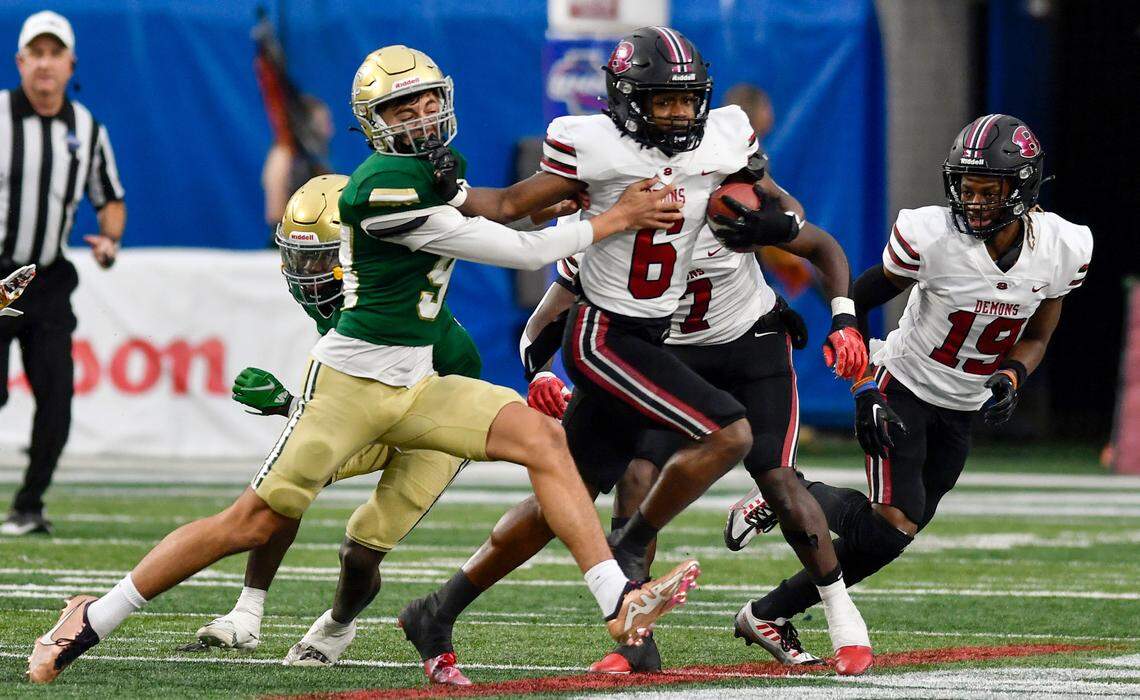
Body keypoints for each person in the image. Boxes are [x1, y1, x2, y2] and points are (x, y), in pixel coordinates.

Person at [26, 44, 698, 686]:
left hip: (419, 380)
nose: (420, 118)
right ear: (372, 125)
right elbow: (519, 251)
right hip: (351, 384)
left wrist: (567, 196)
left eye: (426, 101)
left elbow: (497, 204)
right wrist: (617, 218)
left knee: (542, 439)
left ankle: (618, 601)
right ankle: (94, 615)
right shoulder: (378, 189)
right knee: (251, 523)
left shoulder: (427, 169)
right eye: (401, 110)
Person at [397, 27, 871, 679]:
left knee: (561, 499)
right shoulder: (589, 148)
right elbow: (508, 206)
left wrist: (776, 223)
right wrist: (446, 189)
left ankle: (437, 611)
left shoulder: (725, 139)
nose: (678, 115)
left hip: (656, 337)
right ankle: (629, 550)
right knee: (727, 435)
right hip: (606, 335)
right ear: (622, 100)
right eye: (661, 101)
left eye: (686, 101)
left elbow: (780, 203)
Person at [723, 114, 1092, 662]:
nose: (974, 203)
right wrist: (865, 383)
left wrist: (1013, 374)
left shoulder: (1062, 247)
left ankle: (769, 608)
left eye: (989, 191)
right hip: (906, 383)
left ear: (1023, 190)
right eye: (966, 189)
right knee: (894, 522)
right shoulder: (932, 236)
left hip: (961, 404)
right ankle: (786, 496)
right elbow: (860, 301)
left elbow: (1038, 333)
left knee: (889, 534)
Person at [519, 148, 873, 676]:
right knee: (637, 476)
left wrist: (844, 318)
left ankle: (845, 621)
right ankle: (637, 641)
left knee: (777, 478)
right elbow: (546, 319)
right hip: (675, 354)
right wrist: (540, 372)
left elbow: (818, 242)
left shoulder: (729, 203)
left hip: (753, 343)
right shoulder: (616, 224)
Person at [185, 174, 478, 670]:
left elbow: (413, 393)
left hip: (438, 421)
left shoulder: (398, 307)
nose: (308, 271)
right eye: (300, 257)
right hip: (379, 406)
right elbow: (353, 400)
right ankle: (247, 612)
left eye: (321, 257)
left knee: (361, 547)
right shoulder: (340, 301)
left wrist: (294, 408)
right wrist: (289, 407)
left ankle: (338, 626)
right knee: (287, 483)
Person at [0, 11, 125, 537]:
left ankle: (29, 505)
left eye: (56, 54)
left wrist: (110, 241)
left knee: (57, 396)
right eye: (37, 53)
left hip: (46, 277)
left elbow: (110, 198)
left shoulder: (87, 128)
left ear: (70, 63)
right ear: (20, 61)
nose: (46, 64)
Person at [262, 95, 333, 240]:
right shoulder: (283, 155)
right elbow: (275, 213)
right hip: (289, 241)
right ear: (307, 126)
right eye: (324, 124)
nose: (330, 131)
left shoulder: (318, 164)